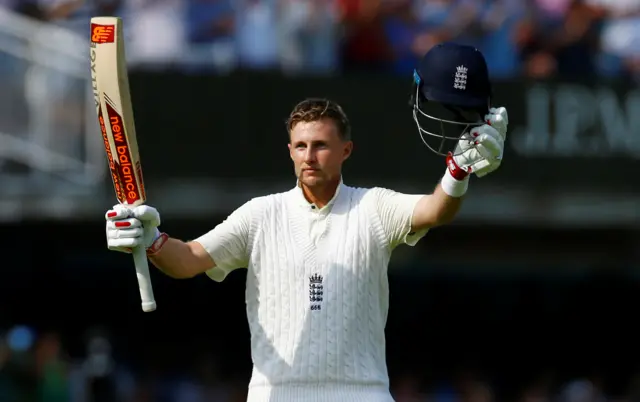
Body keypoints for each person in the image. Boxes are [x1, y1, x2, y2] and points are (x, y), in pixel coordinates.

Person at [104, 42, 508, 402]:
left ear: (346, 150)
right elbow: (187, 259)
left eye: (320, 146)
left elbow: (437, 210)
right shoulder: (262, 214)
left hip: (361, 393)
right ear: (289, 151)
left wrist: (457, 173)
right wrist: (151, 239)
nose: (309, 156)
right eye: (300, 146)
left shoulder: (373, 207)